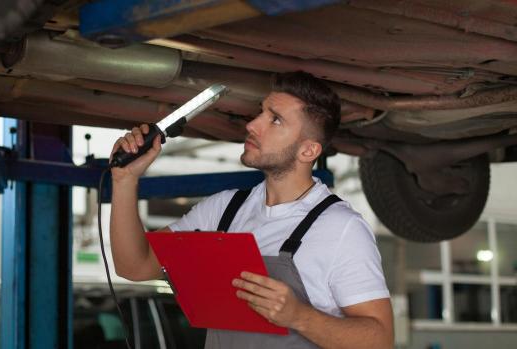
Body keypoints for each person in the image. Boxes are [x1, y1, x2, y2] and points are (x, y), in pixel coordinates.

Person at [109, 71, 393, 349]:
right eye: (261, 112)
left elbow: (380, 340)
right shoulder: (223, 210)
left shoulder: (341, 228)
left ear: (308, 151)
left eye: (275, 120)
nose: (252, 125)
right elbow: (135, 266)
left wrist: (299, 316)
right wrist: (125, 180)